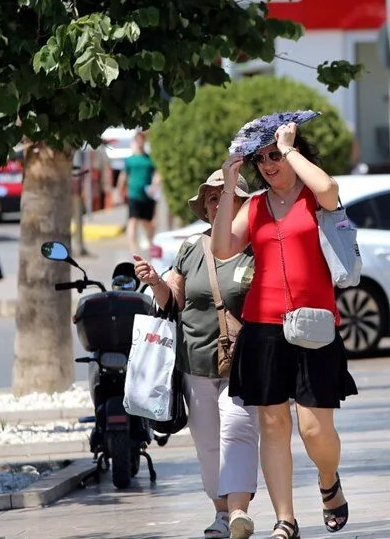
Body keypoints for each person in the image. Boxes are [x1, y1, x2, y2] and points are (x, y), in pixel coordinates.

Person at [211, 112, 357, 539]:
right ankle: (285, 519)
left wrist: (291, 148)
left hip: (313, 324)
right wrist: (226, 186)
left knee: (315, 428)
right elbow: (222, 248)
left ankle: (329, 480)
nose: (269, 164)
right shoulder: (254, 205)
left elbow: (330, 188)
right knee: (273, 425)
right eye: (261, 159)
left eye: (275, 155)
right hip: (264, 326)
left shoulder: (314, 197)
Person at [133, 170, 260, 539]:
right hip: (195, 362)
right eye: (211, 198)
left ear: (241, 205)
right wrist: (156, 281)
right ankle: (220, 513)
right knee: (207, 441)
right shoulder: (191, 248)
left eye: (225, 196)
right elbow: (174, 298)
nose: (216, 202)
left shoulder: (257, 247)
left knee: (237, 430)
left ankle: (238, 513)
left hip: (244, 363)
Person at [119, 131, 158, 253]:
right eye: (138, 140)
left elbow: (157, 174)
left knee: (148, 222)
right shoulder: (130, 160)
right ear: (135, 141)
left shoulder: (150, 159)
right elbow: (123, 175)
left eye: (142, 140)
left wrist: (155, 185)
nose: (141, 143)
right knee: (133, 220)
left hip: (147, 195)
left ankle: (150, 242)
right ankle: (133, 247)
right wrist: (119, 190)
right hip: (133, 194)